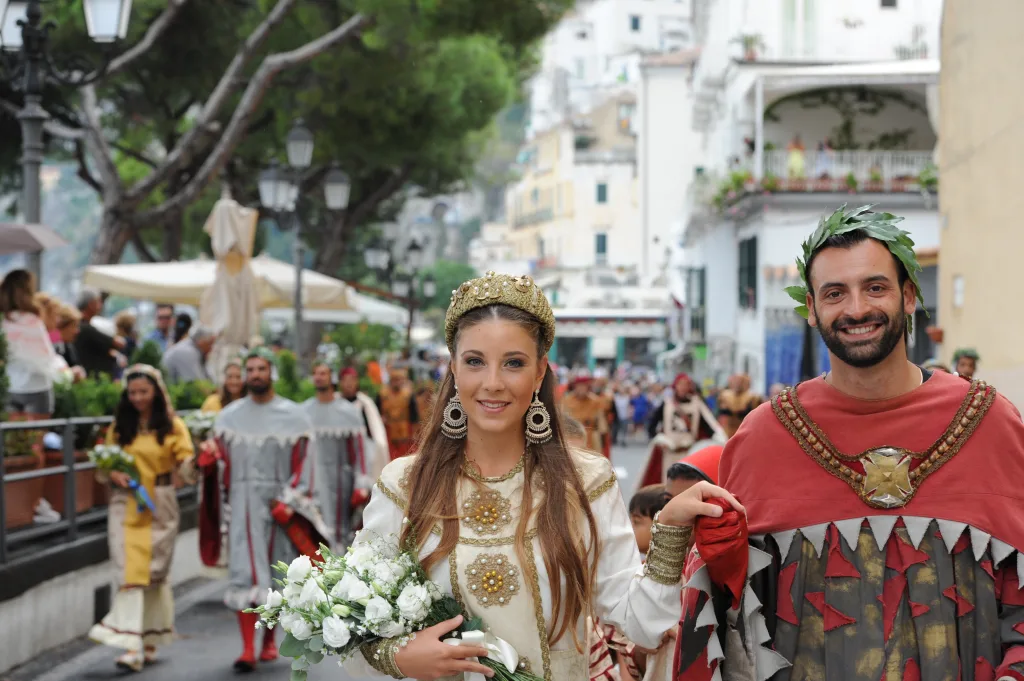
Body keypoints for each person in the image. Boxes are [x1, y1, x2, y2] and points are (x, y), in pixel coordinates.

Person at [674, 205, 1024, 680]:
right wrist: (727, 567)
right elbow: (733, 622)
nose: (857, 309)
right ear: (813, 311)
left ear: (908, 296)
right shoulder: (762, 438)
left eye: (874, 287)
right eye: (835, 293)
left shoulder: (991, 423)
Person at [345, 270, 742, 681]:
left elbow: (640, 621)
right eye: (475, 362)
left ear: (539, 372)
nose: (493, 383)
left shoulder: (586, 482)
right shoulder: (404, 486)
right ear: (453, 369)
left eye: (513, 363)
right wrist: (398, 657)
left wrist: (671, 529)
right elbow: (351, 621)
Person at [202, 347, 324, 672]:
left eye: (261, 369)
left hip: (277, 509)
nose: (255, 374)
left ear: (271, 373)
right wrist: (209, 462)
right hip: (242, 508)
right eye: (250, 369)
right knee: (243, 573)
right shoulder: (228, 417)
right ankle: (246, 650)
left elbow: (305, 464)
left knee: (273, 576)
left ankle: (268, 641)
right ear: (244, 375)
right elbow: (221, 461)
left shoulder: (295, 416)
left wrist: (289, 500)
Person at [88, 365, 196, 672]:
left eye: (143, 392)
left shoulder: (173, 425)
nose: (137, 398)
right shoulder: (119, 426)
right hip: (125, 505)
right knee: (128, 572)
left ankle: (150, 637)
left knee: (153, 572)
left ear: (156, 393)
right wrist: (114, 473)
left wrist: (198, 461)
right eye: (132, 392)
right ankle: (131, 644)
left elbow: (187, 466)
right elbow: (104, 465)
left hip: (160, 504)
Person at [303, 360, 370, 549]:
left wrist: (361, 482)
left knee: (340, 530)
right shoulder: (303, 411)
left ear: (332, 378)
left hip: (340, 482)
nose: (319, 377)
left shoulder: (349, 412)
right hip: (311, 480)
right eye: (316, 373)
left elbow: (359, 451)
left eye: (323, 373)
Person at [636, 373, 724, 490]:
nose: (683, 387)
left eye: (685, 385)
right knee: (668, 486)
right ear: (675, 386)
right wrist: (660, 438)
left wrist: (717, 437)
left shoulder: (697, 403)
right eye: (680, 384)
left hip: (689, 453)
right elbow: (652, 425)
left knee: (688, 487)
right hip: (670, 453)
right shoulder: (667, 404)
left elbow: (708, 426)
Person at [0, 269, 67, 414]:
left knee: (12, 436)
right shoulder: (33, 321)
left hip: (10, 386)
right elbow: (46, 356)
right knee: (35, 435)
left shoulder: (3, 322)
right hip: (37, 387)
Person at [337, 366, 389, 483]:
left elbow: (375, 428)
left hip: (363, 450)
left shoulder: (365, 403)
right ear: (340, 382)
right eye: (345, 380)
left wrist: (378, 445)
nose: (349, 384)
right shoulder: (335, 403)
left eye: (352, 380)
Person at [74, 287, 122, 377]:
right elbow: (118, 343)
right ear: (91, 304)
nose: (100, 306)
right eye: (99, 302)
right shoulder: (85, 327)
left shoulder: (84, 326)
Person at [376, 366, 419, 460]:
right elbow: (376, 412)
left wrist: (415, 432)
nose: (397, 382)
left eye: (400, 379)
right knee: (388, 456)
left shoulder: (408, 394)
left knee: (404, 456)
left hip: (404, 430)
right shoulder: (382, 394)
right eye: (395, 380)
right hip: (388, 430)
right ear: (391, 380)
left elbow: (414, 415)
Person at [562, 374, 609, 452]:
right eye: (579, 386)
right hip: (572, 438)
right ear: (575, 387)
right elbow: (562, 420)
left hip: (590, 437)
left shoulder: (595, 401)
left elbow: (601, 423)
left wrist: (602, 435)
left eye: (584, 386)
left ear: (588, 387)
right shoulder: (567, 400)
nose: (581, 389)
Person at [715, 373, 763, 438]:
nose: (738, 384)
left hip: (746, 429)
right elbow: (721, 412)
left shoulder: (753, 397)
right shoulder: (725, 395)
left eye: (741, 381)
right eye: (736, 381)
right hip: (729, 429)